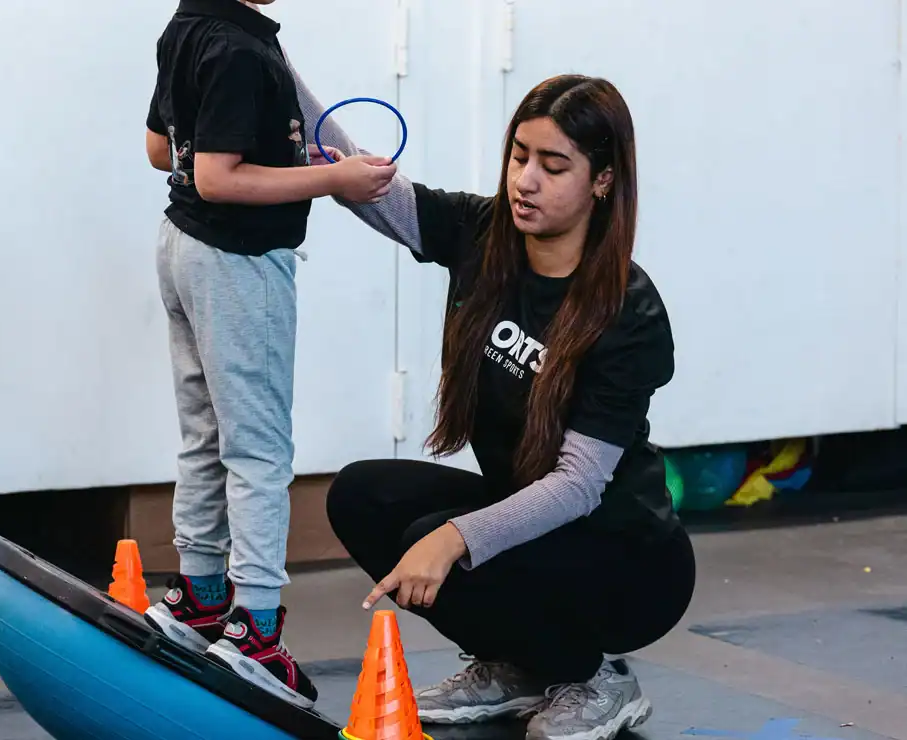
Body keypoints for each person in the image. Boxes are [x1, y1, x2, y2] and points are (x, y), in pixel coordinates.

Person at [288, 61, 697, 739]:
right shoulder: (485, 238)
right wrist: (271, 61)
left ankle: (594, 677)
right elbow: (375, 188)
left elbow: (576, 486)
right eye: (518, 156)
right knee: (360, 497)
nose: (525, 180)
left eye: (553, 165)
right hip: (542, 531)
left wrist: (453, 539)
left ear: (601, 180)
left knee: (434, 544)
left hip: (627, 559)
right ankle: (518, 666)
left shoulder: (627, 308)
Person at [141, 0, 397, 710]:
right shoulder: (245, 53)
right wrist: (333, 179)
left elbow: (165, 150)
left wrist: (289, 160)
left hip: (181, 247)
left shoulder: (187, 27)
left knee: (205, 432)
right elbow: (222, 177)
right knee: (257, 448)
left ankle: (198, 596)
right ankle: (254, 629)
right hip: (237, 262)